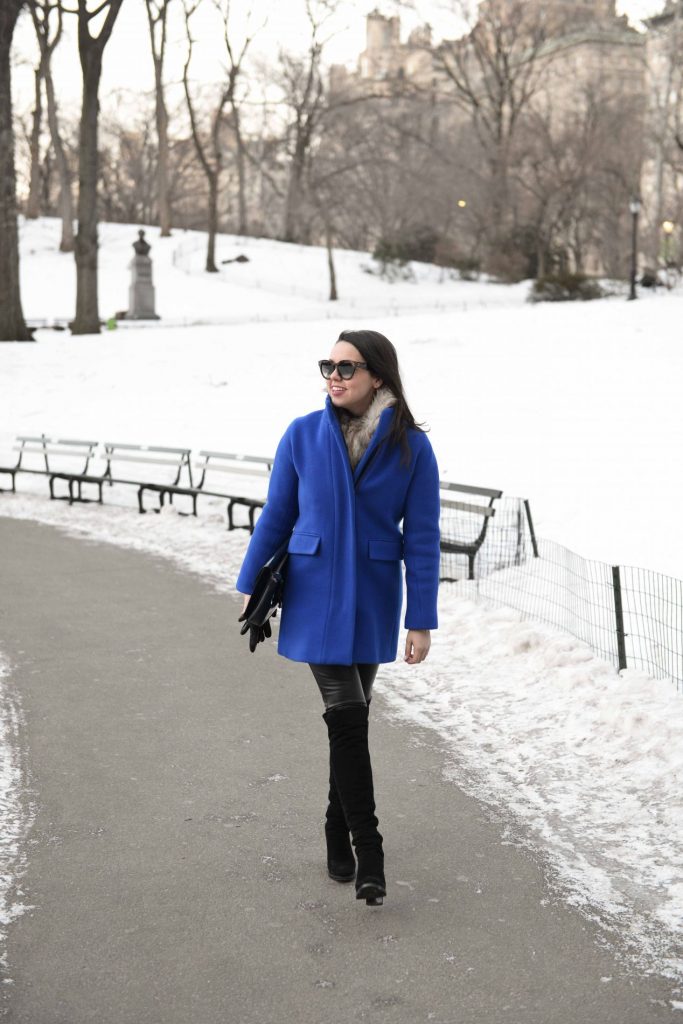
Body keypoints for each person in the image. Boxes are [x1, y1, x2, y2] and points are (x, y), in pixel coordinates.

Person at [235, 329, 441, 906]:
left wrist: (419, 619)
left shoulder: (411, 448)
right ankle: (369, 850)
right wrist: (251, 586)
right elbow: (277, 516)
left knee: (349, 720)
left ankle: (334, 826)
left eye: (348, 367)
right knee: (347, 715)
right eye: (329, 364)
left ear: (378, 375)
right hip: (315, 594)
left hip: (374, 598)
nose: (335, 375)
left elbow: (422, 539)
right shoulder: (302, 434)